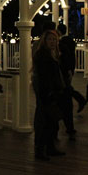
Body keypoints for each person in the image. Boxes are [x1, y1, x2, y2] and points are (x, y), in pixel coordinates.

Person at [32, 29, 66, 160]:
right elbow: (44, 76)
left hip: (52, 91)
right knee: (44, 122)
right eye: (50, 39)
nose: (52, 42)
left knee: (51, 122)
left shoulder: (52, 54)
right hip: (46, 93)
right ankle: (40, 150)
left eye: (54, 40)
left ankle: (49, 147)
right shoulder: (43, 55)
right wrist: (49, 91)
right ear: (44, 41)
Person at [57, 23, 87, 113]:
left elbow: (66, 56)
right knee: (66, 87)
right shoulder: (70, 40)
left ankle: (79, 100)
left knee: (65, 87)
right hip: (70, 66)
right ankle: (79, 100)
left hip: (66, 68)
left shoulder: (63, 42)